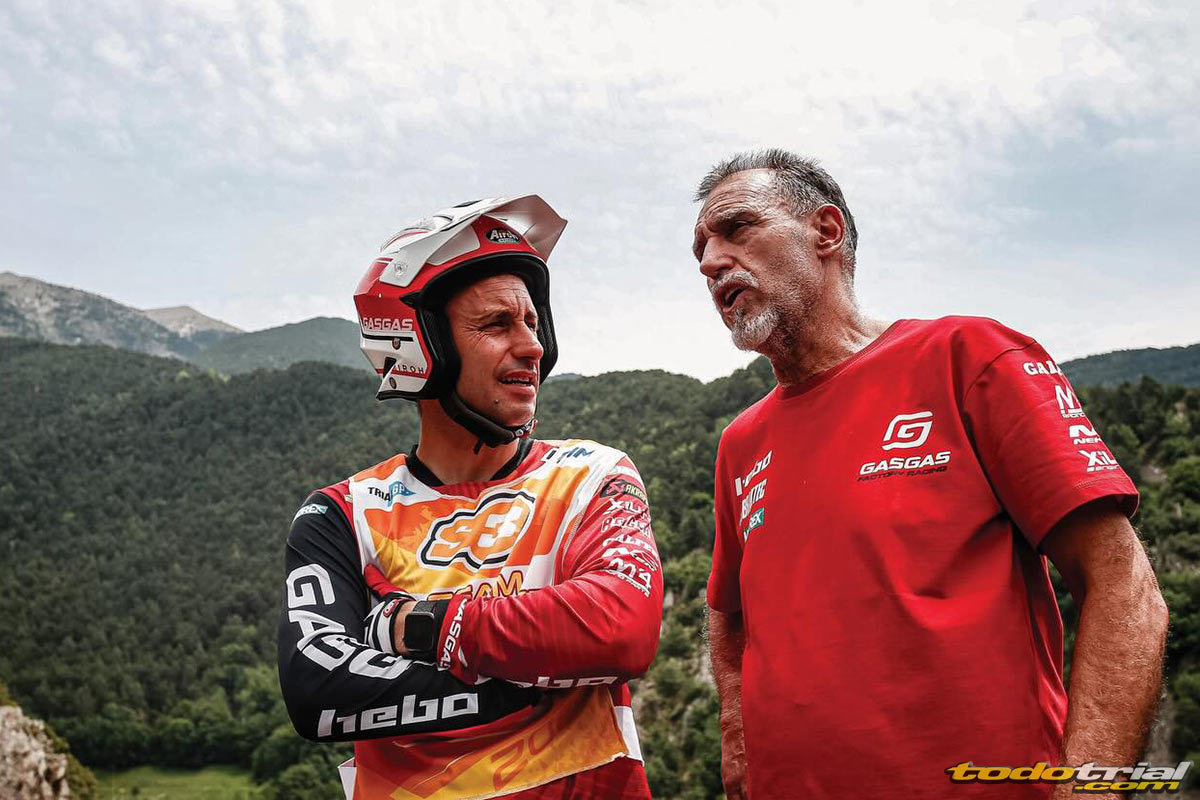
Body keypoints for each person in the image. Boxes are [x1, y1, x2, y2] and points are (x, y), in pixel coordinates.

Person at [693, 149, 1169, 799]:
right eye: (700, 248)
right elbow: (729, 612)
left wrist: (1090, 789)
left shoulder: (969, 360)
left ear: (826, 231)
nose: (710, 260)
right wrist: (738, 741)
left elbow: (1123, 588)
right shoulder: (740, 443)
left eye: (736, 228)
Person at [277, 196, 663, 799]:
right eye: (497, 325)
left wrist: (421, 627)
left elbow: (620, 630)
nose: (533, 347)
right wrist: (537, 677)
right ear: (419, 345)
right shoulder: (343, 514)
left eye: (533, 323)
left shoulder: (592, 475)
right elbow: (318, 693)